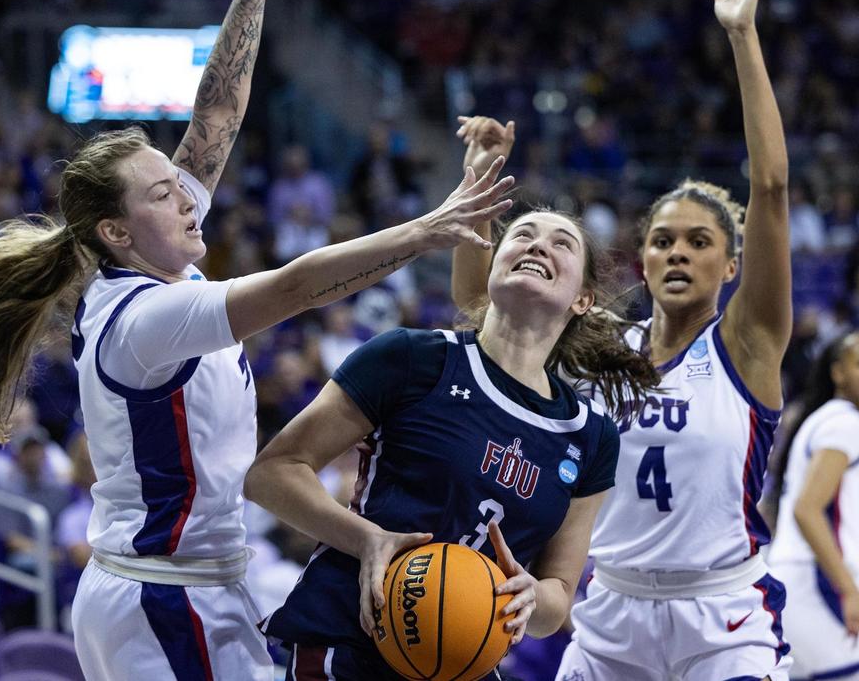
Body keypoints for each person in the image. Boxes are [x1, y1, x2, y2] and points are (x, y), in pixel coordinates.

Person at [0, 0, 515, 678]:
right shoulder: (143, 319)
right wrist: (424, 231)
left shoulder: (156, 269)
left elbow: (216, 117)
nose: (184, 198)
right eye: (161, 192)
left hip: (186, 587)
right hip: (161, 600)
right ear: (117, 231)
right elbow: (294, 286)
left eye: (177, 184)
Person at [453, 0, 793, 681]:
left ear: (730, 264)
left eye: (700, 242)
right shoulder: (600, 349)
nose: (678, 252)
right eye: (663, 240)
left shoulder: (747, 346)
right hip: (609, 615)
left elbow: (769, 188)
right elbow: (483, 300)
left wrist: (742, 36)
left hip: (722, 614)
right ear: (640, 261)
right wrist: (477, 194)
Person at [245, 204, 660, 679]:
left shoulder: (590, 436)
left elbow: (556, 596)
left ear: (583, 299)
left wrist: (530, 597)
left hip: (467, 659)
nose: (538, 244)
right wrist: (366, 540)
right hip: (351, 636)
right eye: (522, 234)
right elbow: (271, 474)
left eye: (561, 242)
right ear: (492, 269)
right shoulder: (412, 357)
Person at [769, 331, 859, 680]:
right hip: (815, 582)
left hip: (801, 581)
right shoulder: (847, 424)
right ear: (838, 373)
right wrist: (850, 591)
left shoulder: (827, 419)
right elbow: (806, 509)